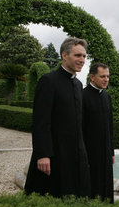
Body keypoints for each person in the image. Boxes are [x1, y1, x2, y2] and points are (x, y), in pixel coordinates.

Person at [25, 37, 91, 198]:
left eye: (83, 56)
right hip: (54, 154)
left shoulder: (77, 84)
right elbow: (41, 122)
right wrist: (43, 154)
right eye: (77, 55)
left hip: (75, 155)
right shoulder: (48, 81)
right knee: (49, 201)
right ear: (64, 55)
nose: (82, 60)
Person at [82, 62, 114, 203]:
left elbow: (110, 127)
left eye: (107, 76)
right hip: (89, 151)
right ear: (92, 77)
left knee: (106, 185)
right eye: (102, 76)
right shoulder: (82, 96)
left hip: (105, 151)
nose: (106, 79)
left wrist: (111, 151)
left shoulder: (107, 97)